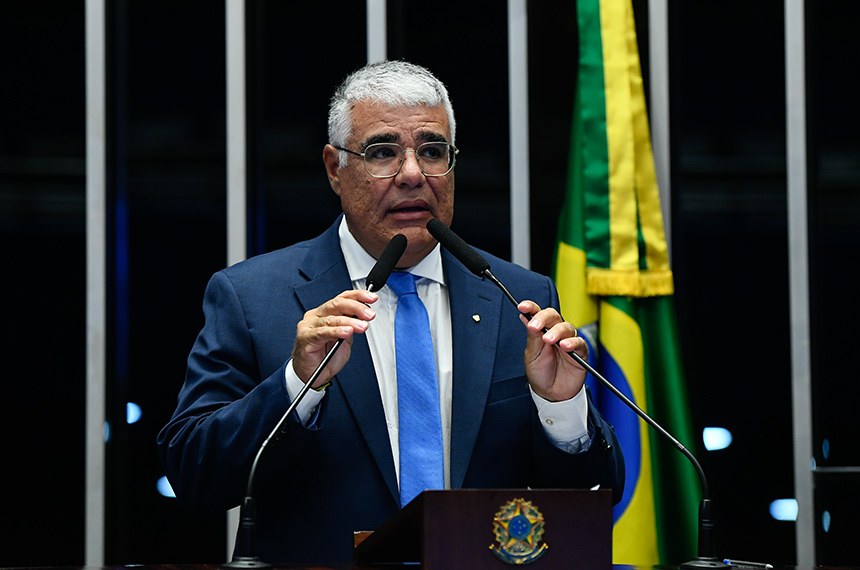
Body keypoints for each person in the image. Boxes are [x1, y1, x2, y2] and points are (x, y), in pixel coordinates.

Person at [157, 60, 624, 565]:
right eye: (382, 153)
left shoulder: (518, 297)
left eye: (432, 151)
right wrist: (297, 385)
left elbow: (593, 501)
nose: (413, 175)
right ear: (335, 169)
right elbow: (195, 475)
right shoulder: (253, 296)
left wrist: (561, 409)